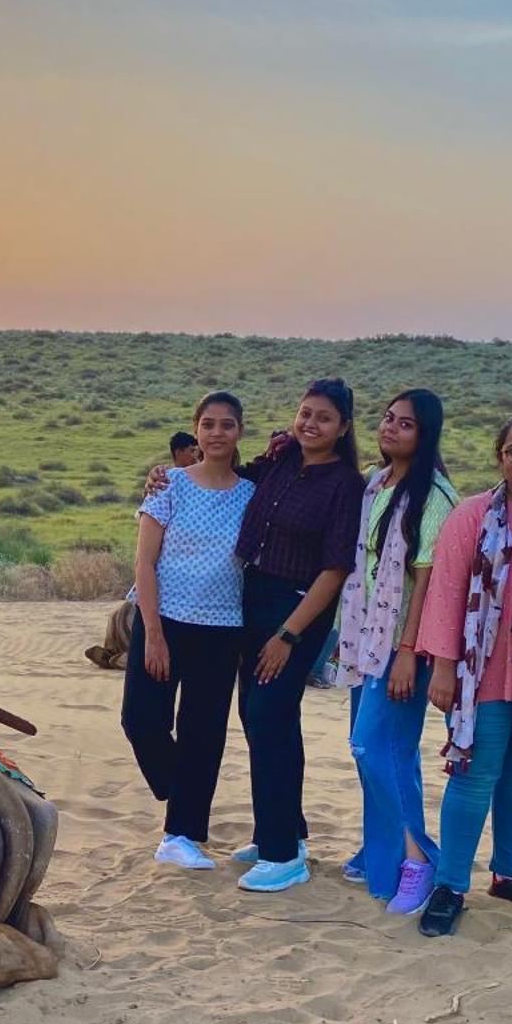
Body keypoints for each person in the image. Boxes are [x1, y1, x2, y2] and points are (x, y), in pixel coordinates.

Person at [412, 414, 512, 937]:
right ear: (500, 455)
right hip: (483, 672)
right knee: (474, 778)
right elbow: (447, 592)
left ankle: (508, 873)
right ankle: (451, 884)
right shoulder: (472, 515)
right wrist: (445, 668)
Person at [229, 380, 365, 892]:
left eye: (324, 417)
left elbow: (335, 568)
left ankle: (285, 857)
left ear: (343, 428)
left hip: (298, 609)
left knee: (268, 717)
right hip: (253, 596)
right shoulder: (282, 459)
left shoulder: (344, 484)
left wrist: (288, 635)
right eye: (305, 412)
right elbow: (232, 480)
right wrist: (167, 474)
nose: (311, 423)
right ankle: (280, 833)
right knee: (265, 719)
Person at [333, 391, 458, 912]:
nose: (391, 429)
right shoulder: (375, 482)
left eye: (405, 424)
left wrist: (409, 651)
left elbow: (428, 582)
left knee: (374, 746)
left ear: (424, 434)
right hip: (366, 639)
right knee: (377, 751)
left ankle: (418, 858)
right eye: (388, 418)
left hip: (404, 647)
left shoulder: (433, 496)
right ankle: (383, 847)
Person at [121, 393, 254, 866]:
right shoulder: (169, 484)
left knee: (204, 731)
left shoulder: (250, 494)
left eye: (227, 425)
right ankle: (185, 795)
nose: (217, 433)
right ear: (195, 430)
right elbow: (144, 561)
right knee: (141, 720)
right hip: (165, 621)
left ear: (239, 432)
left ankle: (180, 835)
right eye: (208, 424)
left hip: (222, 629)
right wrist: (153, 634)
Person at [84, 430, 209, 668]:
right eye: (192, 451)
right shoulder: (164, 485)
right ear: (180, 452)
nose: (196, 456)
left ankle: (119, 655)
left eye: (197, 451)